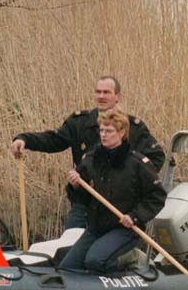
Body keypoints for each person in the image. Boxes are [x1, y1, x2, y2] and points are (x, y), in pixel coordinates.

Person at [10, 76, 164, 229]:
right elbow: (53, 140)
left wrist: (129, 183)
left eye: (106, 92)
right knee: (70, 247)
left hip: (118, 209)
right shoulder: (79, 123)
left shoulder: (133, 127)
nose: (101, 96)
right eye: (98, 92)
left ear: (117, 96)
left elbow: (156, 157)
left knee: (104, 252)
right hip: (85, 202)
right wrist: (24, 140)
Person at [59, 109, 167, 273]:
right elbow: (81, 199)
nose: (103, 135)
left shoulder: (137, 163)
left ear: (122, 132)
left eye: (109, 131)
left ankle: (131, 259)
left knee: (95, 261)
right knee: (68, 267)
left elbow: (157, 195)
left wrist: (134, 216)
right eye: (101, 130)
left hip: (125, 229)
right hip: (96, 228)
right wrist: (76, 185)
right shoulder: (91, 160)